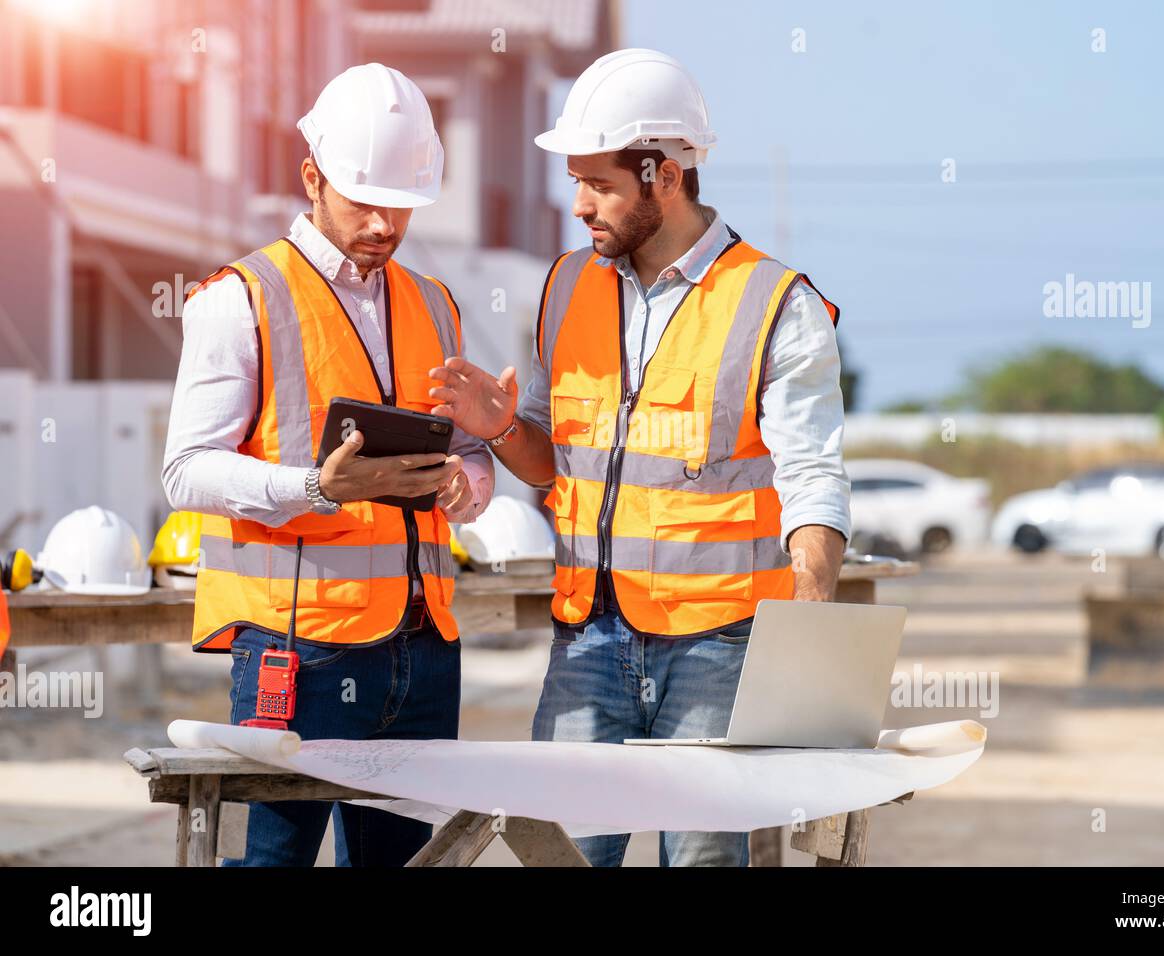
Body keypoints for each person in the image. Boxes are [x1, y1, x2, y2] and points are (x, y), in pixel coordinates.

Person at [424, 49, 850, 866]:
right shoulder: (564, 287)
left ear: (662, 175)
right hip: (585, 635)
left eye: (600, 183)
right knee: (563, 856)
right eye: (574, 180)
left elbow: (813, 478)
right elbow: (557, 467)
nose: (579, 204)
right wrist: (502, 426)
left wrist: (810, 640)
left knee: (700, 861)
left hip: (718, 646)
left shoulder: (776, 305)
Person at [161, 63, 493, 866]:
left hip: (422, 653)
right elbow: (184, 472)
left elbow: (474, 456)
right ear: (311, 178)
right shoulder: (241, 297)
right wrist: (316, 487)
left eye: (401, 205)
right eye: (364, 201)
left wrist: (468, 482)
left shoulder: (434, 302)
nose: (384, 223)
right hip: (293, 656)